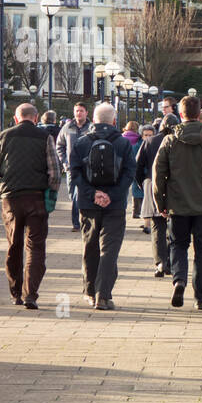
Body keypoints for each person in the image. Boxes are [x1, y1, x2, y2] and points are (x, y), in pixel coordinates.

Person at [153, 95, 202, 310]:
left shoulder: (170, 139)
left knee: (178, 245)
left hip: (178, 204)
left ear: (180, 114)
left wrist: (160, 202)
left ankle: (179, 280)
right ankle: (201, 298)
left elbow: (158, 173)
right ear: (200, 114)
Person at [0, 102, 60, 309]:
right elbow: (54, 172)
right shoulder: (45, 138)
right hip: (36, 198)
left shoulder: (4, 136)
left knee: (14, 245)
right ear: (36, 118)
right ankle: (31, 294)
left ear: (16, 118)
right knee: (35, 247)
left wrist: (1, 193)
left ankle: (15, 292)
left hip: (11, 198)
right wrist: (50, 196)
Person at [69, 102, 136, 311]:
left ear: (94, 120)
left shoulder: (81, 143)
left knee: (90, 247)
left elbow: (74, 173)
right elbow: (129, 173)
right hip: (115, 204)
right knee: (110, 249)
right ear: (114, 121)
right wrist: (111, 195)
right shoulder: (123, 144)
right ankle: (103, 295)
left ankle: (89, 292)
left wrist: (93, 194)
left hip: (88, 203)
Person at [137, 113, 177, 276]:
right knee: (174, 227)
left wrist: (143, 183)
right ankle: (172, 261)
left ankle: (160, 262)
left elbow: (138, 165)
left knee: (157, 226)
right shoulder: (179, 142)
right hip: (176, 189)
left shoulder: (150, 141)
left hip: (154, 185)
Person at [55, 103, 91, 232]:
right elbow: (59, 146)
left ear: (86, 112)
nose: (78, 113)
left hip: (86, 168)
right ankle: (79, 218)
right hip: (71, 168)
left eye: (81, 111)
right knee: (73, 195)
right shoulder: (67, 127)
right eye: (76, 111)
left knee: (78, 195)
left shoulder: (91, 128)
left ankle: (77, 223)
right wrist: (64, 162)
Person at [123, 121, 143, 221]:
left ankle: (123, 207)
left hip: (124, 166)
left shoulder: (122, 137)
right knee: (137, 188)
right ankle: (136, 211)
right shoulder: (138, 138)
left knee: (124, 188)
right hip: (135, 165)